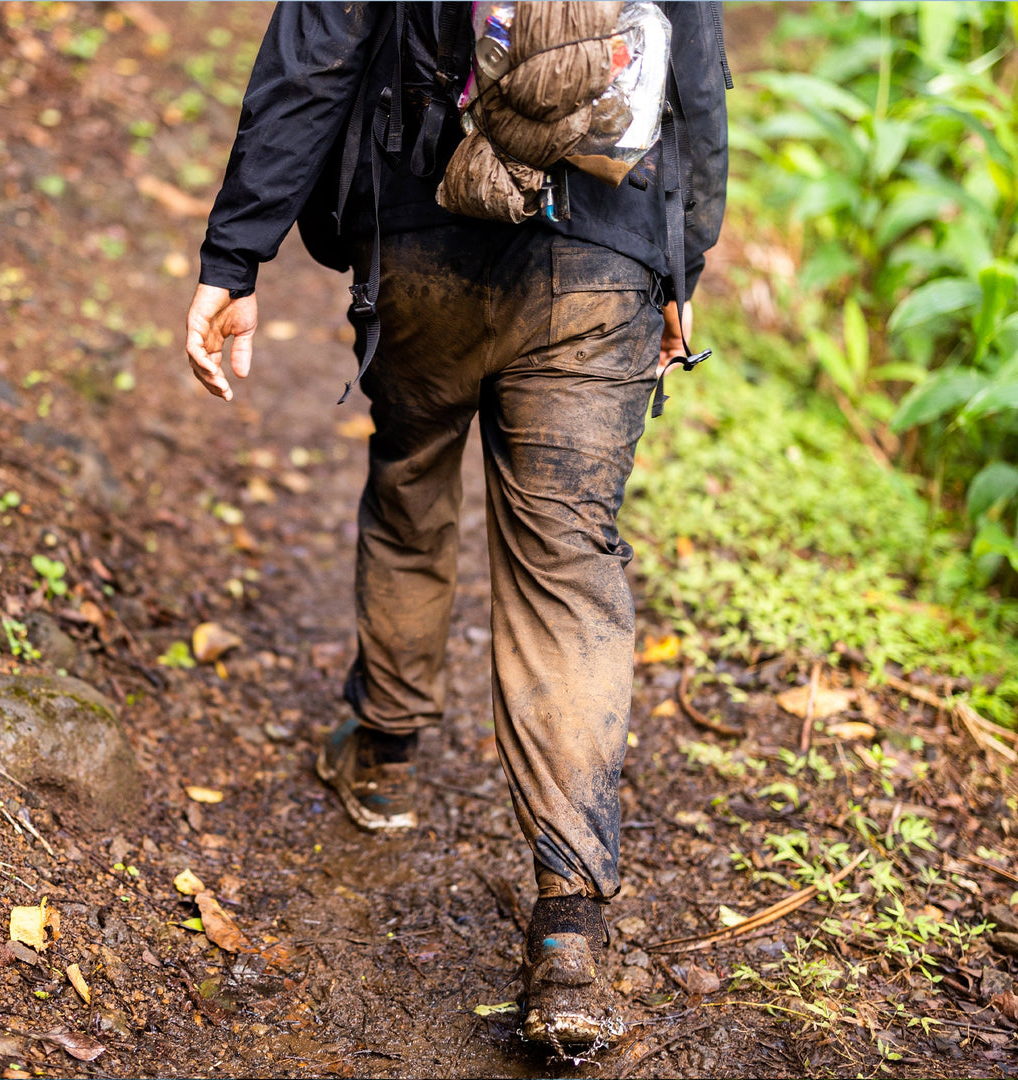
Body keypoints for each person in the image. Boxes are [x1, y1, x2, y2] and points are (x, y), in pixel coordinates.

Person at [185, 1, 729, 1054]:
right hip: (602, 263)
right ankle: (568, 930)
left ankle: (383, 749)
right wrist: (680, 266)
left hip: (422, 231)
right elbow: (695, 89)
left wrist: (231, 259)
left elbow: (315, 60)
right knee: (567, 560)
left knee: (412, 473)